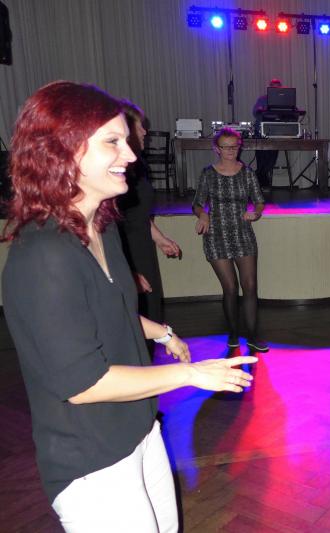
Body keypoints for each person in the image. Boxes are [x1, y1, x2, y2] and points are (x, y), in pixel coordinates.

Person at [1, 81, 257, 532]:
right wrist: (191, 374)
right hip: (91, 458)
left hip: (138, 429)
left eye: (127, 139)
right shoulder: (44, 254)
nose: (132, 155)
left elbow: (111, 312)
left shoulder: (102, 227)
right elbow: (84, 384)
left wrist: (163, 333)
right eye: (113, 142)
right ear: (62, 152)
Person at [193, 127, 269, 352]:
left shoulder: (247, 173)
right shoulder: (208, 174)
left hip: (242, 233)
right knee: (230, 288)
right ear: (216, 148)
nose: (230, 150)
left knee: (250, 286)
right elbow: (197, 203)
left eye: (234, 146)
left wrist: (255, 212)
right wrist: (203, 214)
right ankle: (234, 333)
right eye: (225, 147)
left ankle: (252, 335)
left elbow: (259, 201)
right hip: (216, 235)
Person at [117, 100, 182, 324]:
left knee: (151, 309)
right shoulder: (115, 170)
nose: (145, 131)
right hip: (125, 251)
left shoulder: (137, 165)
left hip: (142, 245)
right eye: (140, 126)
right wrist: (128, 271)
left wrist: (160, 239)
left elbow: (138, 213)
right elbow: (112, 223)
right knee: (134, 314)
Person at [252, 78, 282, 189]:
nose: (275, 90)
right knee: (261, 155)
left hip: (276, 133)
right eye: (273, 88)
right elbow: (255, 112)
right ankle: (263, 179)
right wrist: (262, 110)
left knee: (272, 156)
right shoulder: (262, 99)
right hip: (261, 132)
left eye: (277, 88)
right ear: (269, 88)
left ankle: (260, 176)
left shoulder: (284, 100)